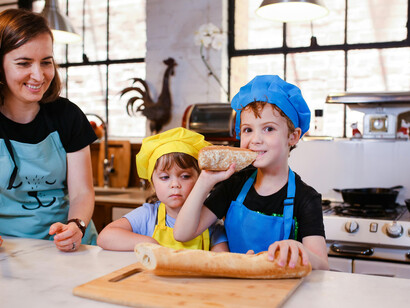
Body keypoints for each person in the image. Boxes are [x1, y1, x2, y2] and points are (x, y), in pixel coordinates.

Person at [174, 75, 329, 270]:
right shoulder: (233, 185)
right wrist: (205, 181)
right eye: (247, 130)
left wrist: (299, 250)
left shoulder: (306, 198)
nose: (255, 139)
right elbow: (182, 233)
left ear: (293, 136)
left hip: (285, 293)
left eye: (268, 129)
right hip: (237, 290)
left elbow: (322, 266)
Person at [0, 9, 98, 251]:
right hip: (10, 250)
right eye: (24, 63)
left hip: (72, 245)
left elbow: (82, 193)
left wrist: (77, 224)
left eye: (46, 62)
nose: (39, 75)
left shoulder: (67, 115)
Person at [97, 127, 228, 252]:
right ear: (153, 184)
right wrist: (150, 243)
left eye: (185, 176)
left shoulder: (209, 222)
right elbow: (105, 237)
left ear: (200, 180)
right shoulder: (148, 215)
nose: (175, 184)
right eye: (165, 177)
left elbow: (222, 261)